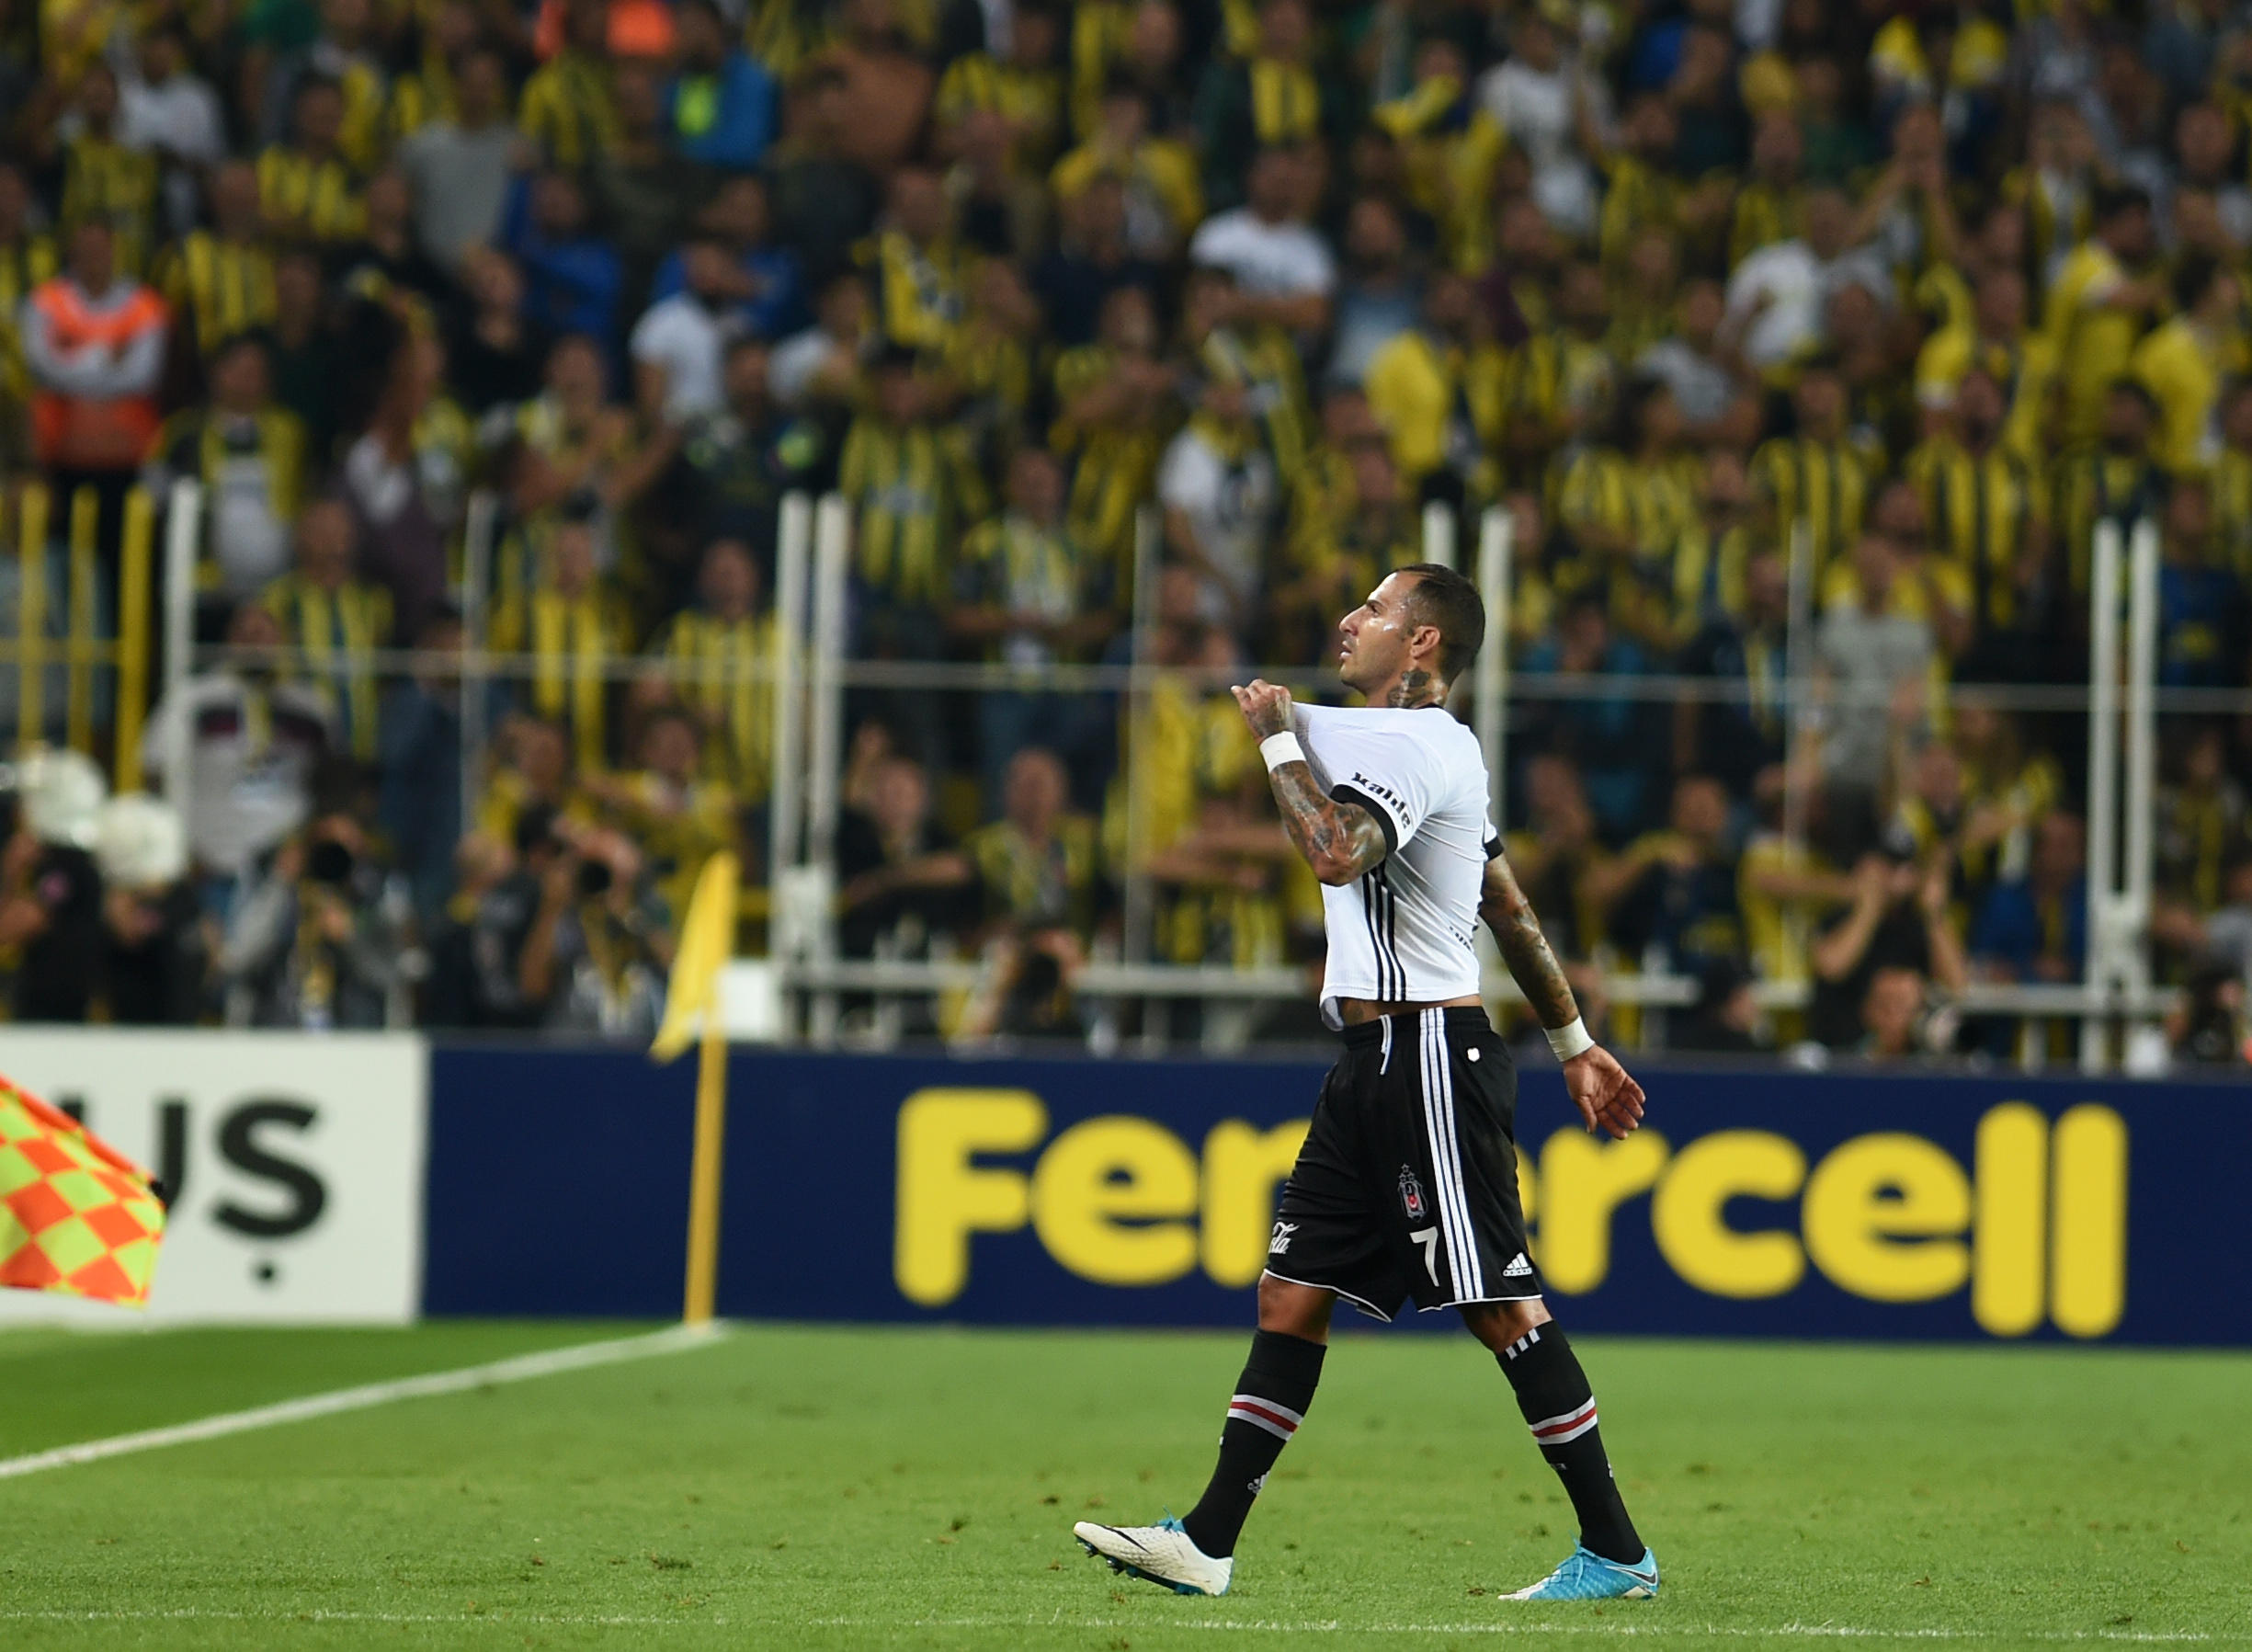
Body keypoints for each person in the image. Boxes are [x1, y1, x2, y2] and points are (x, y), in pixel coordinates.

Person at [1075, 564, 1658, 1603]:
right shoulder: (1403, 742)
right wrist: (1572, 1041)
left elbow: (1336, 853)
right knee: (1290, 1296)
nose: (1347, 619)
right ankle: (1206, 1541)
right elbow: (1505, 905)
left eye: (1375, 610)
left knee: (1497, 1305)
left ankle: (1614, 1549)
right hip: (1371, 1064)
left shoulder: (1419, 743)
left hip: (1429, 1052)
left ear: (1423, 643)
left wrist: (1271, 743)